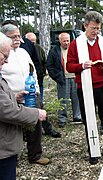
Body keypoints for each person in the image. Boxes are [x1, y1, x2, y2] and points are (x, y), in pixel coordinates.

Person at [66, 11, 103, 165]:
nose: (96, 32)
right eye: (92, 28)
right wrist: (81, 66)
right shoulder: (76, 43)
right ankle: (93, 150)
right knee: (89, 119)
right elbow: (69, 66)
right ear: (85, 26)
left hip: (102, 85)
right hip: (84, 87)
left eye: (98, 28)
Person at [0, 24, 49, 165]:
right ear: (5, 38)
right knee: (12, 128)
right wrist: (13, 96)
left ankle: (35, 155)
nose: (17, 39)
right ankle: (11, 157)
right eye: (13, 36)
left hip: (30, 95)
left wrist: (37, 90)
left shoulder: (23, 52)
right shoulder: (3, 55)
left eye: (18, 35)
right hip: (10, 98)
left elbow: (32, 71)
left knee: (35, 126)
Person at [25, 32, 61, 138]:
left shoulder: (39, 49)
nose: (33, 43)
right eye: (30, 41)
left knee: (40, 104)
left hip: (38, 81)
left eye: (34, 41)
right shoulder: (23, 51)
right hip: (27, 83)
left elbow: (43, 62)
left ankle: (47, 128)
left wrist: (42, 73)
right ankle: (29, 131)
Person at [47, 32, 82, 127]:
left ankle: (77, 116)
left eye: (68, 40)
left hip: (75, 77)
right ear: (60, 41)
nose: (66, 43)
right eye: (64, 41)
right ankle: (62, 118)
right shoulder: (54, 51)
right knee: (63, 100)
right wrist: (56, 77)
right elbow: (50, 66)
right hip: (63, 78)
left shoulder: (75, 49)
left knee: (76, 98)